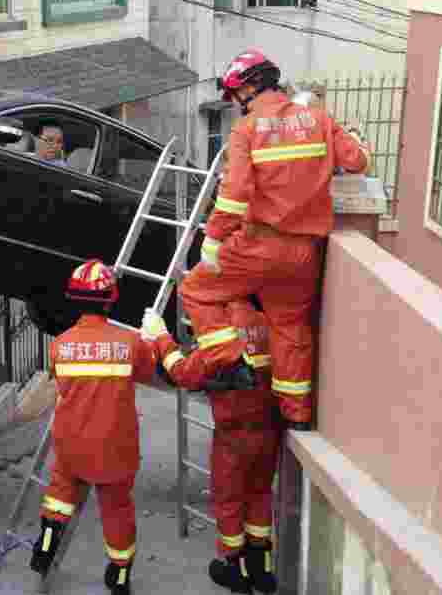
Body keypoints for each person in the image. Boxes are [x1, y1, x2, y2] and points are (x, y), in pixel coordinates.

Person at [178, 48, 370, 429]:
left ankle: (230, 363)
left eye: (235, 96)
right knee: (291, 327)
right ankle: (296, 414)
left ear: (248, 88)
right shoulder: (318, 119)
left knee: (196, 291)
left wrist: (213, 241)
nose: (234, 104)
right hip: (304, 252)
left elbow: (234, 196)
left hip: (257, 244)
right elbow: (358, 162)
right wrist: (357, 140)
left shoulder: (246, 131)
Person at [30, 259, 174, 595]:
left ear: (73, 299)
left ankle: (46, 544)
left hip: (71, 444)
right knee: (117, 510)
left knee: (60, 495)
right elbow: (147, 371)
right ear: (111, 300)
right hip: (116, 448)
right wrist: (155, 336)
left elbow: (60, 379)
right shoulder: (130, 345)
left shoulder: (59, 345)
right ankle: (120, 577)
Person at [143, 299, 281, 594]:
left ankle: (236, 570)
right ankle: (263, 567)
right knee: (259, 493)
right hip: (268, 428)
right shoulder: (267, 321)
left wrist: (160, 336)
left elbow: (182, 373)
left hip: (232, 435)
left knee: (229, 501)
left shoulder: (219, 333)